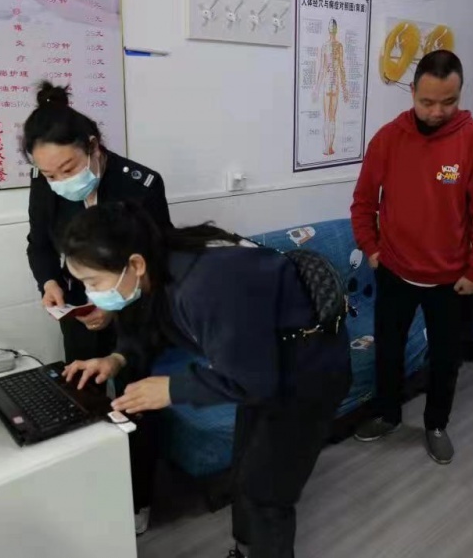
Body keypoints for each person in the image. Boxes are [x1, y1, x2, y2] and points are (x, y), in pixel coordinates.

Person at [60, 202, 352, 558]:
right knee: (246, 471)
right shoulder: (159, 264)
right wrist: (116, 359)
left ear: (135, 264)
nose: (90, 294)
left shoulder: (205, 283)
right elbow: (152, 326)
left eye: (93, 282)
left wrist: (172, 388)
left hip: (307, 374)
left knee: (266, 492)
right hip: (263, 363)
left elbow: (252, 380)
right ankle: (245, 549)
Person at [23, 82, 172, 534]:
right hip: (78, 310)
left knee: (134, 402)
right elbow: (38, 243)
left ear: (92, 146)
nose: (59, 180)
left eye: (67, 168)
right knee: (82, 394)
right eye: (49, 173)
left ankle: (138, 499)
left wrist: (115, 306)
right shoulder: (45, 182)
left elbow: (156, 265)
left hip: (132, 311)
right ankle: (94, 487)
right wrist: (50, 282)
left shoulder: (141, 184)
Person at [350, 50, 473, 464]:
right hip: (394, 270)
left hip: (452, 279)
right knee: (388, 350)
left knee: (446, 359)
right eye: (427, 102)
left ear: (460, 94)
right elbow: (363, 203)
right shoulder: (388, 139)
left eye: (448, 102)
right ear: (413, 92)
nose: (437, 112)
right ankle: (387, 415)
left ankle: (436, 424)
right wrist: (372, 249)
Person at [314, 18, 350, 156]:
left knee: (327, 118)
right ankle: (329, 147)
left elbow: (322, 69)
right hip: (335, 85)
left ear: (329, 30)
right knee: (332, 117)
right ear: (336, 29)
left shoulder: (325, 46)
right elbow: (341, 68)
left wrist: (317, 88)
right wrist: (345, 89)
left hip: (327, 85)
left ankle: (327, 147)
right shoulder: (339, 46)